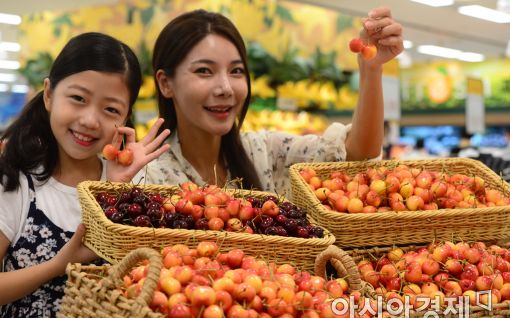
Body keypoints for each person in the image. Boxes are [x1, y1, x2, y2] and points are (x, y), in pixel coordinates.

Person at [0, 32, 170, 318]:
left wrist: (114, 191)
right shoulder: (15, 178)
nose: (91, 120)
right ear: (49, 94)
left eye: (110, 110)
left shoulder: (131, 183)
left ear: (125, 118)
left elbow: (145, 277)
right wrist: (57, 265)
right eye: (78, 98)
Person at [146, 8, 403, 195]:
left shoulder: (264, 153)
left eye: (236, 71)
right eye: (204, 71)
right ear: (165, 83)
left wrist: (371, 70)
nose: (225, 88)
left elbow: (356, 154)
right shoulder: (150, 178)